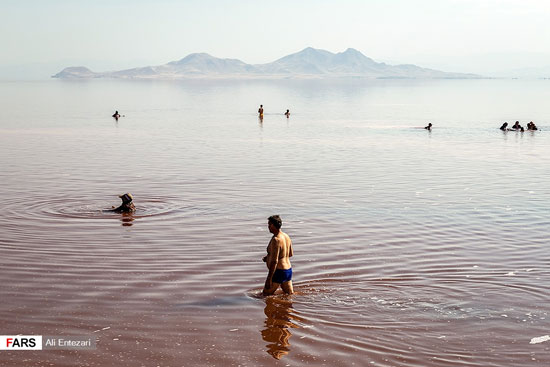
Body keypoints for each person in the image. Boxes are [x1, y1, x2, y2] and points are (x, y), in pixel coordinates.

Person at [262, 215, 293, 296]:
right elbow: (290, 254)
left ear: (272, 225)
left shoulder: (276, 239)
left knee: (265, 295)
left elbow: (274, 261)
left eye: (269, 224)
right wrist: (268, 257)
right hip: (288, 270)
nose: (268, 227)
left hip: (278, 272)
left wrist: (269, 278)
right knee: (289, 295)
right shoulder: (286, 236)